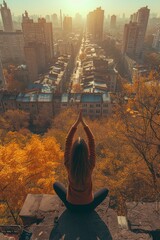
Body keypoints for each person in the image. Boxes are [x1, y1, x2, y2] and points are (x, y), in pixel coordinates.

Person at [53, 112, 109, 212]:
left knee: (56, 184)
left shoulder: (68, 164)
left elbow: (68, 141)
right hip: (88, 206)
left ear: (73, 152)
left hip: (71, 206)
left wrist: (76, 124)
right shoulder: (90, 165)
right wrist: (84, 124)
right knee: (105, 190)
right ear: (86, 151)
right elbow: (91, 141)